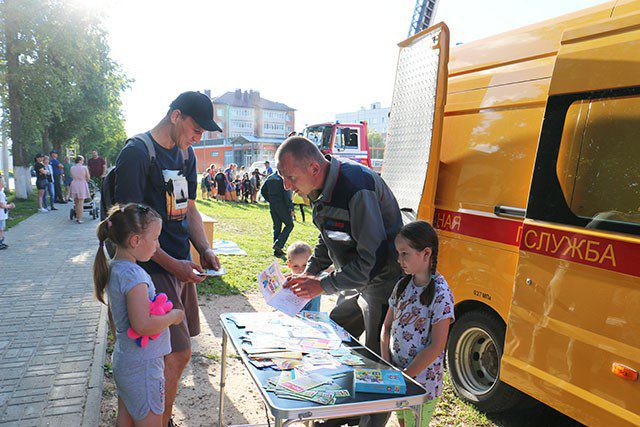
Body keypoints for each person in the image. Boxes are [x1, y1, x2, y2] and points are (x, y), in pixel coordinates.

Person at [113, 91, 222, 426]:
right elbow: (128, 227)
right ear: (176, 116)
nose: (198, 137)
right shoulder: (137, 153)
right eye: (196, 129)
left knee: (166, 353)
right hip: (148, 270)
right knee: (175, 353)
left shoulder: (186, 155)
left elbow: (189, 209)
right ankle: (160, 420)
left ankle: (148, 417)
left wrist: (204, 248)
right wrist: (174, 265)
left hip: (178, 265)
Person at [279, 136, 403, 427]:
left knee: (377, 357)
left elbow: (370, 261)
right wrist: (311, 272)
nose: (286, 186)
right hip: (355, 279)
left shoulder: (356, 188)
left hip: (382, 281)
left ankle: (370, 420)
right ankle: (343, 409)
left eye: (290, 177)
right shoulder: (318, 187)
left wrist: (323, 285)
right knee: (338, 331)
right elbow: (329, 236)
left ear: (313, 168)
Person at [93, 202, 185, 426]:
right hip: (143, 367)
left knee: (126, 419)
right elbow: (142, 325)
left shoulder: (115, 269)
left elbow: (115, 320)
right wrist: (173, 316)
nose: (157, 245)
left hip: (126, 359)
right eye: (155, 239)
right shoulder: (135, 276)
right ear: (135, 240)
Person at [381, 221, 454, 427]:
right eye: (398, 253)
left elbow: (436, 346)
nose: (399, 259)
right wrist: (387, 365)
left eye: (405, 253)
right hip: (398, 378)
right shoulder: (402, 285)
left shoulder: (441, 294)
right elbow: (386, 327)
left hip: (421, 386)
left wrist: (406, 376)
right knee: (403, 423)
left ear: (426, 253)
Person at [260, 169, 294, 258]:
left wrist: (270, 200)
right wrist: (291, 207)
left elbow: (263, 191)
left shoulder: (270, 178)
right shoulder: (282, 179)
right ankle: (278, 244)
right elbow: (287, 195)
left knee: (277, 226)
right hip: (282, 205)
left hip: (273, 204)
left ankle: (277, 250)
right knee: (290, 225)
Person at [286, 241, 320, 312]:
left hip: (311, 316)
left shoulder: (315, 279)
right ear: (289, 265)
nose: (301, 270)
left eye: (305, 265)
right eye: (295, 266)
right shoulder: (287, 280)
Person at [70, 155, 91, 223]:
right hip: (81, 184)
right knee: (81, 202)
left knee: (76, 202)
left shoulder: (72, 168)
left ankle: (77, 217)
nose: (83, 161)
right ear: (80, 161)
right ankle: (79, 219)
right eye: (82, 160)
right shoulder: (84, 168)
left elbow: (72, 176)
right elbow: (88, 178)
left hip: (74, 184)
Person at [0, 177, 15, 250]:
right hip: (1, 216)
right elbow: (2, 205)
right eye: (3, 181)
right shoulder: (1, 194)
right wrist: (9, 206)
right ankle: (0, 242)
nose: (5, 183)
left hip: (2, 215)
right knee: (1, 229)